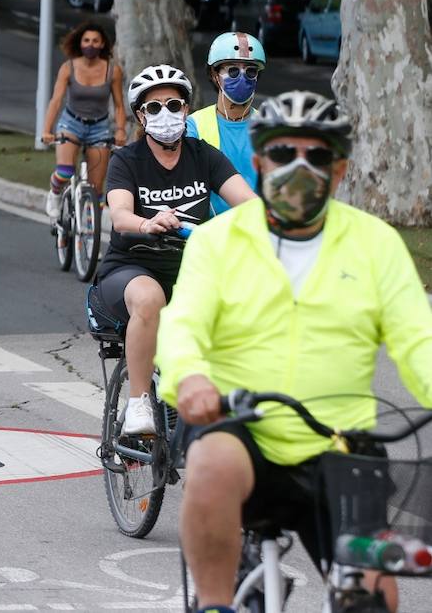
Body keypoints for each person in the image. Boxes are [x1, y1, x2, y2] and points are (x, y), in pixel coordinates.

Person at [159, 91, 432, 613]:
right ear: (259, 162)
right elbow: (184, 324)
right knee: (211, 463)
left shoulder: (376, 244)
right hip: (241, 428)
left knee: (374, 599)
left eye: (317, 155)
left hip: (342, 446)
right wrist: (189, 379)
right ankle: (215, 603)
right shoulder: (219, 241)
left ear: (341, 168)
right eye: (284, 154)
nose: (299, 168)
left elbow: (418, 340)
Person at [95, 64, 256, 437]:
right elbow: (119, 215)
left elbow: (248, 204)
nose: (165, 113)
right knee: (150, 299)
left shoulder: (204, 156)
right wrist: (146, 223)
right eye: (154, 107)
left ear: (186, 109)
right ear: (140, 115)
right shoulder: (126, 160)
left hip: (192, 271)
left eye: (174, 104)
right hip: (131, 268)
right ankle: (138, 403)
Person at [40, 21, 127, 215]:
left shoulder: (113, 71)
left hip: (100, 127)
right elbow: (56, 101)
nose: (90, 45)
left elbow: (119, 105)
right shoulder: (68, 67)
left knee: (96, 188)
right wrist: (47, 130)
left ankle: (87, 233)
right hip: (71, 123)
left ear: (103, 44)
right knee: (65, 172)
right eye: (86, 40)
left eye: (96, 41)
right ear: (80, 43)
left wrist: (120, 130)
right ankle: (55, 193)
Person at [187, 32, 267, 215]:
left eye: (251, 71)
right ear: (215, 75)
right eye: (232, 70)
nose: (242, 77)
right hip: (211, 233)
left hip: (258, 228)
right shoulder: (194, 125)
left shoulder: (268, 126)